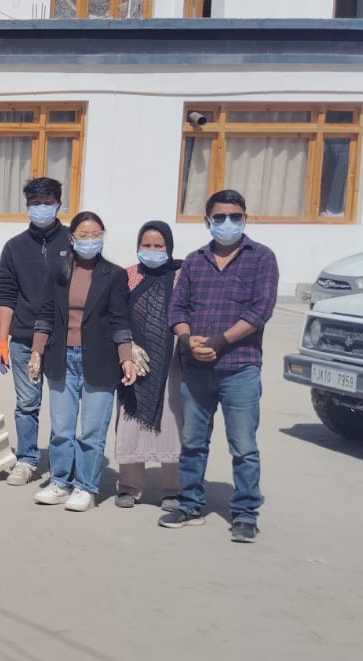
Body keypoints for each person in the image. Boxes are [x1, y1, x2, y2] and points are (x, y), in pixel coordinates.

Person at [160, 190, 278, 543]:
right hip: (196, 369)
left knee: (243, 445)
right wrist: (186, 338)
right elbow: (177, 308)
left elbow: (260, 311)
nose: (229, 223)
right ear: (208, 221)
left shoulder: (261, 259)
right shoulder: (195, 261)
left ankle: (244, 513)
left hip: (240, 368)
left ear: (244, 218)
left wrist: (220, 341)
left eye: (236, 216)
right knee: (193, 441)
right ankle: (191, 503)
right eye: (221, 217)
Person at [27, 212, 138, 512]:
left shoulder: (114, 275)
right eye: (84, 236)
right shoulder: (58, 271)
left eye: (97, 234)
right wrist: (37, 351)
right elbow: (46, 315)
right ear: (72, 239)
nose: (91, 241)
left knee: (91, 430)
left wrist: (125, 359)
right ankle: (60, 481)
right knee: (61, 429)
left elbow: (120, 321)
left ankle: (86, 486)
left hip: (99, 361)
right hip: (62, 359)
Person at [0, 177, 72, 487]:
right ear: (27, 207)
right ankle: (26, 459)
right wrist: (2, 339)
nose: (41, 208)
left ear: (58, 204)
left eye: (47, 203)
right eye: (35, 204)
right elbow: (7, 294)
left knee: (63, 407)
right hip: (25, 339)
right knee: (27, 405)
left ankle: (62, 463)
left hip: (63, 339)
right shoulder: (14, 247)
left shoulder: (72, 242)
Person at [115, 221, 184, 509]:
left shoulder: (181, 276)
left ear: (169, 248)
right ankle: (129, 486)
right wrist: (127, 349)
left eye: (159, 246)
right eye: (147, 245)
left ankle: (172, 489)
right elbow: (116, 315)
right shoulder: (128, 276)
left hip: (172, 364)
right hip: (133, 363)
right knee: (130, 421)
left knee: (172, 421)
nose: (152, 251)